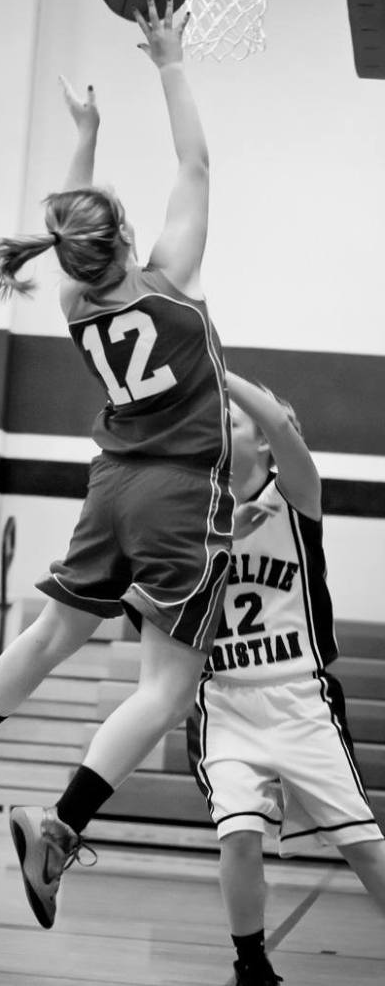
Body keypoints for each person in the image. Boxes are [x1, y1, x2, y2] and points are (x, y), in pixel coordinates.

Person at [0, 0, 233, 929]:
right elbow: (196, 165)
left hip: (110, 486)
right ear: (130, 241)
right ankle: (58, 824)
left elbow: (78, 226)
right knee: (168, 687)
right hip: (181, 492)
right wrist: (169, 60)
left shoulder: (73, 302)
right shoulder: (168, 288)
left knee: (56, 632)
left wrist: (87, 132)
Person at [187, 373, 385, 986]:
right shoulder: (194, 512)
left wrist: (214, 366)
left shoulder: (296, 494)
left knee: (364, 847)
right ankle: (251, 965)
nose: (223, 424)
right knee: (239, 837)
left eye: (235, 419)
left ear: (270, 441)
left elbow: (275, 418)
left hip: (301, 696)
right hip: (225, 700)